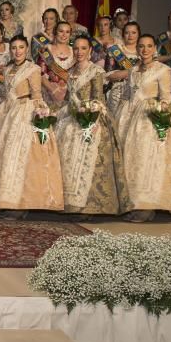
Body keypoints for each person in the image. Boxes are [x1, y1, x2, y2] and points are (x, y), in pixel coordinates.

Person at [115, 34, 171, 222]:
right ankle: (132, 203)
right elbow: (128, 95)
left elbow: (166, 99)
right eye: (141, 46)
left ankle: (147, 206)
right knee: (131, 161)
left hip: (150, 119)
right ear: (137, 49)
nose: (145, 50)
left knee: (147, 161)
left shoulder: (163, 70)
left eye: (149, 46)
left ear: (155, 49)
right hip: (130, 118)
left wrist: (161, 119)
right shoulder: (133, 70)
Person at [0, 35, 64, 217]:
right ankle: (5, 200)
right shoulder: (7, 70)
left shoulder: (33, 69)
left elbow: (37, 95)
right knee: (3, 155)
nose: (17, 51)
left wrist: (40, 115)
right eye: (13, 48)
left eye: (21, 47)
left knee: (19, 157)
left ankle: (21, 204)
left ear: (27, 49)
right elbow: (5, 93)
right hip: (7, 113)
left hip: (24, 113)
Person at [54, 36, 127, 216]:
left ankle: (88, 205)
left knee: (89, 157)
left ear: (90, 51)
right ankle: (68, 202)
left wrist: (88, 115)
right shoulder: (70, 72)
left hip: (90, 117)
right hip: (71, 118)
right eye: (76, 48)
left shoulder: (96, 71)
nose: (79, 52)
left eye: (83, 48)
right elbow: (67, 99)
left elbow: (98, 100)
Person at [105, 20, 141, 120]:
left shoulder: (145, 51)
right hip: (118, 93)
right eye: (127, 32)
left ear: (139, 34)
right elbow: (109, 75)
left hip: (139, 94)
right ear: (122, 34)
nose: (130, 35)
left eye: (133, 32)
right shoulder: (115, 50)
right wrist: (134, 69)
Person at [37, 21, 74, 112]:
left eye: (67, 32)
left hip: (70, 94)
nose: (64, 35)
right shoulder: (46, 49)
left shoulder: (74, 51)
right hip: (49, 93)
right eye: (61, 31)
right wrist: (53, 91)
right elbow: (40, 73)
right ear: (55, 32)